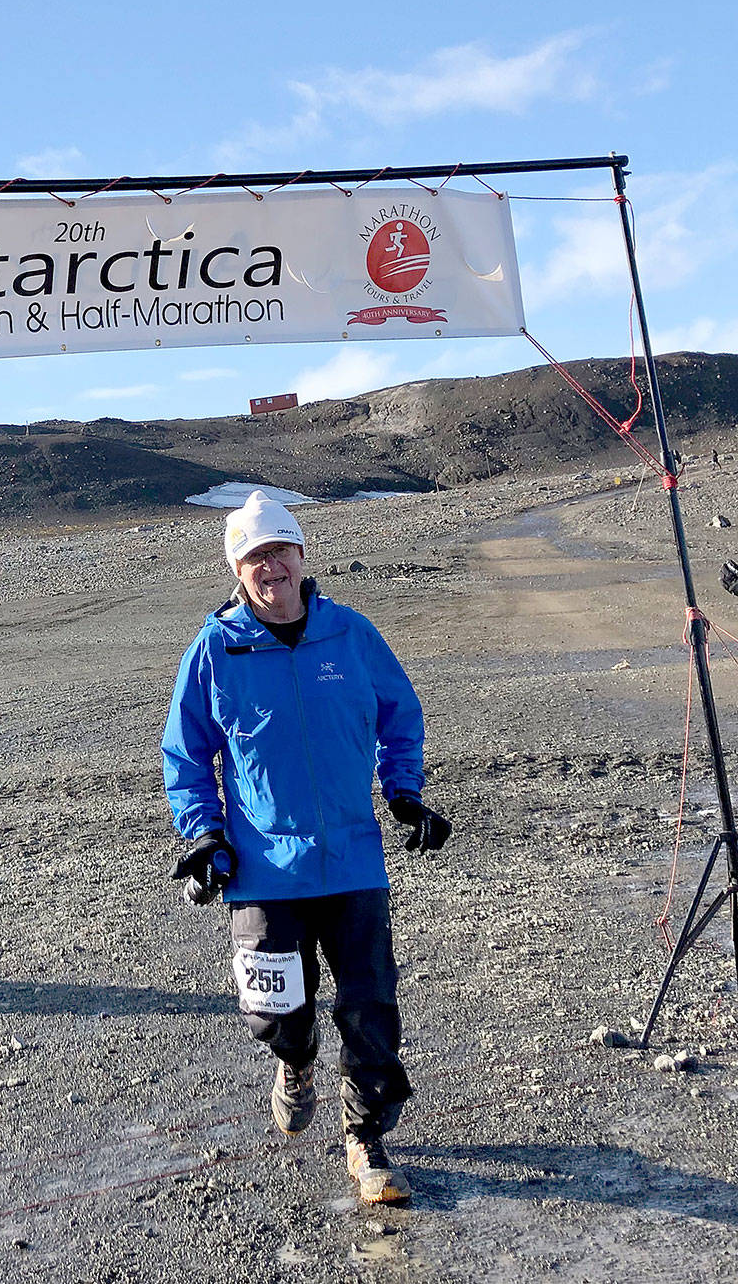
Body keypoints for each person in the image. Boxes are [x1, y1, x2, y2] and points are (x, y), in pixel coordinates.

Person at [161, 490, 451, 1205]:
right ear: (239, 570)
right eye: (255, 557)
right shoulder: (215, 650)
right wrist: (203, 833)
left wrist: (404, 791)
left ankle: (367, 1137)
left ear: (301, 556)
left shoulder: (350, 635)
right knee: (277, 1012)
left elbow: (399, 713)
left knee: (371, 1007)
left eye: (279, 551)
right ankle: (294, 1060)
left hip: (353, 859)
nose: (271, 567)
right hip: (262, 871)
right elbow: (187, 752)